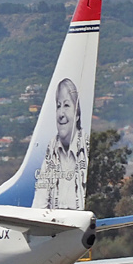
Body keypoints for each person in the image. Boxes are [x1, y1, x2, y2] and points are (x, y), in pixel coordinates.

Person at [34, 78, 88, 209]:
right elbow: (39, 202)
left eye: (67, 105)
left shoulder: (85, 146)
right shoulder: (52, 147)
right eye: (58, 106)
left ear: (77, 115)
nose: (61, 114)